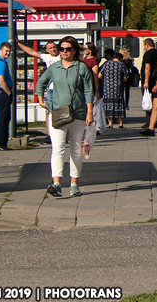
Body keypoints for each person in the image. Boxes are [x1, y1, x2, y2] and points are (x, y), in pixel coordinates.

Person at [34, 36, 94, 198]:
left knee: (76, 149)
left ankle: (74, 184)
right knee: (57, 149)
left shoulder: (81, 68)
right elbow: (41, 83)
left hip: (79, 113)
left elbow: (89, 91)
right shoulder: (54, 68)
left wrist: (90, 112)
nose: (64, 52)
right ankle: (57, 183)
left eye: (68, 49)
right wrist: (41, 100)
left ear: (74, 50)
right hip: (58, 113)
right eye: (62, 49)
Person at [99, 47, 128, 128]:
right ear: (120, 58)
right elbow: (125, 78)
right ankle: (121, 123)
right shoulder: (122, 65)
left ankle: (110, 123)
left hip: (107, 88)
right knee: (119, 104)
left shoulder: (106, 64)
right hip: (118, 88)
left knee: (108, 105)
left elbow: (100, 75)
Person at [138, 37, 157, 129]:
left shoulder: (147, 54)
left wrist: (146, 81)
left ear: (147, 45)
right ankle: (156, 120)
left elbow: (147, 67)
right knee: (156, 101)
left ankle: (149, 121)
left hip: (149, 81)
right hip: (156, 80)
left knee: (148, 100)